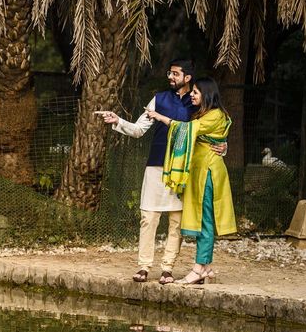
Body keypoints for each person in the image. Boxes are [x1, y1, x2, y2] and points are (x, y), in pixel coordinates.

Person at [99, 60, 226, 285]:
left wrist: (223, 147)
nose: (170, 77)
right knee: (148, 218)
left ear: (187, 78)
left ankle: (167, 268)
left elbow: (210, 132)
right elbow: (139, 130)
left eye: (175, 74)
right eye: (169, 72)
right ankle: (144, 266)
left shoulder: (197, 102)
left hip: (182, 171)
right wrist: (118, 121)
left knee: (176, 222)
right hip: (156, 166)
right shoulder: (159, 99)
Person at [146, 78, 237, 285]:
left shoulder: (215, 115)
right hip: (199, 174)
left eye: (195, 92)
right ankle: (204, 267)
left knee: (205, 222)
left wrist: (160, 117)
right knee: (202, 220)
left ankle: (198, 269)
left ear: (207, 94)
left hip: (208, 174)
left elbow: (185, 130)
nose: (192, 95)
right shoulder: (206, 114)